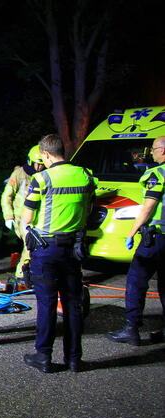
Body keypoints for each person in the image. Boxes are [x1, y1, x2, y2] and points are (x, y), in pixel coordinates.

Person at [21, 134, 96, 373]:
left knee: (47, 304)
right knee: (73, 304)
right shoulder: (85, 174)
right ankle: (74, 358)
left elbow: (28, 216)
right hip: (74, 247)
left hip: (46, 248)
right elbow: (90, 206)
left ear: (45, 154)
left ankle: (43, 356)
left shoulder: (41, 178)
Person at [107, 135, 165, 345]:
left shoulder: (157, 174)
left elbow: (148, 206)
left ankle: (131, 329)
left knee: (136, 281)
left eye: (153, 149)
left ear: (163, 150)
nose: (151, 152)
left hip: (156, 237)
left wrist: (132, 233)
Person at [1, 145, 45, 284]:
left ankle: (33, 274)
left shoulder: (45, 176)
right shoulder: (19, 174)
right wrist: (9, 217)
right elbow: (6, 196)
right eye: (37, 164)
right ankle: (21, 275)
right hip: (22, 218)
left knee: (37, 247)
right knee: (30, 245)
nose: (40, 167)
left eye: (42, 164)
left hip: (39, 217)